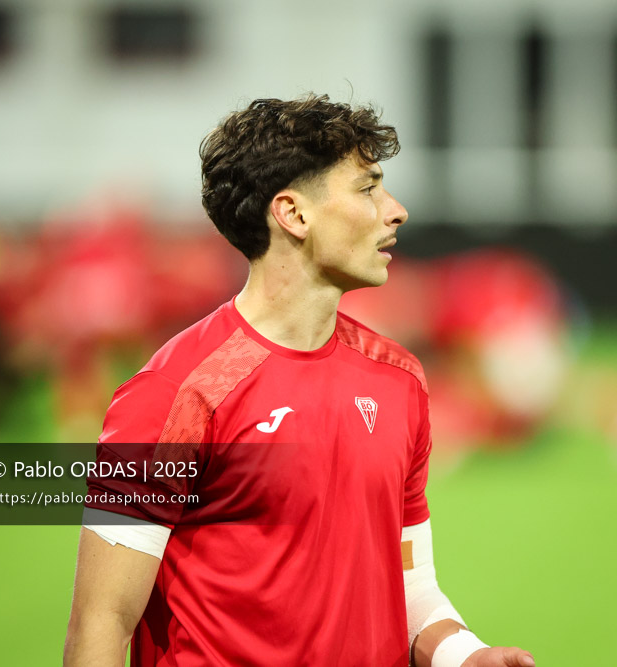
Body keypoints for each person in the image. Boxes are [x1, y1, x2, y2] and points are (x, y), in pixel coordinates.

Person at [63, 94, 536, 667]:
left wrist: (464, 655)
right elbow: (101, 622)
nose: (396, 210)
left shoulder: (400, 381)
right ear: (293, 214)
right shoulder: (175, 394)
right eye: (367, 188)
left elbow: (409, 585)